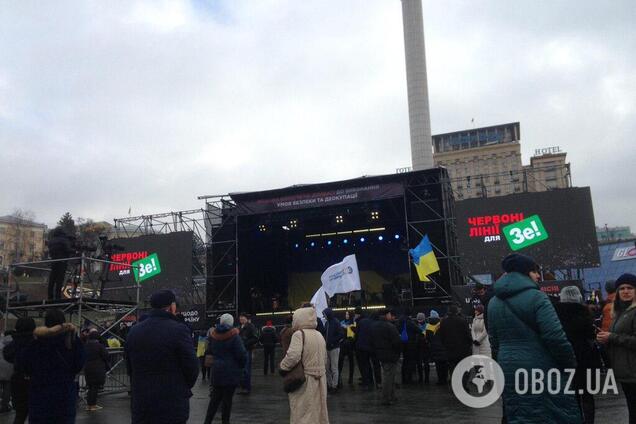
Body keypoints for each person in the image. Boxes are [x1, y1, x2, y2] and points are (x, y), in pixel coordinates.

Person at [488, 253, 581, 423]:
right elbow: (555, 337)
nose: (538, 275)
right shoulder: (538, 297)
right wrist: (570, 363)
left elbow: (494, 341)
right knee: (549, 413)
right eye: (535, 271)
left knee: (519, 412)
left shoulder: (493, 302)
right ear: (525, 273)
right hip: (540, 365)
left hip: (508, 366)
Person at [125, 290, 199, 424]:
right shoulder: (179, 330)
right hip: (171, 402)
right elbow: (192, 366)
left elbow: (129, 366)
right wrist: (181, 387)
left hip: (142, 401)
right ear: (172, 306)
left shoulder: (134, 331)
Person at [20, 309, 85, 424]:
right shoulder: (71, 341)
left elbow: (25, 365)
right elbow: (79, 364)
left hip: (39, 394)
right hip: (64, 394)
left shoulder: (35, 342)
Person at [555, 286, 601, 424]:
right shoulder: (584, 313)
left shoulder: (555, 314)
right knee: (587, 395)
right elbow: (591, 335)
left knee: (571, 396)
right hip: (585, 360)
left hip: (564, 359)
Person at [597, 273, 636, 423]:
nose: (625, 291)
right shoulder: (620, 312)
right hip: (626, 371)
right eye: (622, 288)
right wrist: (606, 339)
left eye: (630, 288)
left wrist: (611, 337)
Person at [280, 305, 329, 424]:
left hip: (305, 380)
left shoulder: (299, 334)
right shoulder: (319, 335)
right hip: (321, 379)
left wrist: (283, 366)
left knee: (303, 413)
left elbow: (293, 356)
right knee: (318, 412)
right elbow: (325, 358)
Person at [204, 313, 247, 424]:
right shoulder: (234, 336)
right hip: (231, 372)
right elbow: (241, 354)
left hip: (217, 371)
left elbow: (209, 351)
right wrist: (241, 366)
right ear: (231, 322)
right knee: (227, 401)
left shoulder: (213, 335)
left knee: (214, 400)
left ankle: (207, 421)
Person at [3, 317, 36, 424]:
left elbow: (7, 354)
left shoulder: (14, 342)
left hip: (18, 379)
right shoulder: (35, 342)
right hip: (34, 380)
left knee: (20, 414)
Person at [371, 309, 401, 406]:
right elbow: (396, 342)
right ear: (386, 315)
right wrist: (397, 352)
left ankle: (392, 395)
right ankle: (386, 398)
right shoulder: (390, 326)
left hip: (380, 354)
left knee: (388, 375)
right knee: (389, 377)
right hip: (391, 354)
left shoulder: (374, 326)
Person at [438, 304, 472, 377]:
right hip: (462, 349)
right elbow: (468, 335)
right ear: (457, 312)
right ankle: (464, 385)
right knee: (463, 368)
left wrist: (445, 345)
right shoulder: (462, 321)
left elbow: (441, 336)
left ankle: (454, 383)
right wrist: (468, 345)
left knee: (452, 368)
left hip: (449, 349)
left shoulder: (443, 322)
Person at [83, 328, 110, 411]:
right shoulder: (99, 346)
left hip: (88, 367)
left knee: (90, 387)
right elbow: (106, 355)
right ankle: (93, 405)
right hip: (97, 368)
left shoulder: (86, 345)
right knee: (94, 387)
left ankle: (89, 405)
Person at [46, 227, 73, 300]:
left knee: (52, 280)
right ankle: (58, 298)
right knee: (59, 281)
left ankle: (50, 298)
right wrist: (73, 251)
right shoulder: (64, 240)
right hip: (62, 262)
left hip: (54, 261)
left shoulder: (51, 240)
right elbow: (68, 250)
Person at [322, 308, 344, 393]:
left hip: (333, 347)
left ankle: (333, 385)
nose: (324, 316)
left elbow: (341, 334)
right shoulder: (332, 322)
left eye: (324, 314)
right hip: (332, 347)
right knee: (330, 368)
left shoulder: (332, 323)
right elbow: (341, 334)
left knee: (332, 367)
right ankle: (332, 385)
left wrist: (331, 342)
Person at [424, 310, 448, 385]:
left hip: (434, 348)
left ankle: (440, 380)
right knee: (444, 365)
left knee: (438, 365)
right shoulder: (441, 324)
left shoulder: (428, 326)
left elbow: (427, 338)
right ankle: (445, 379)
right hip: (443, 347)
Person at [238, 313, 258, 394]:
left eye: (243, 318)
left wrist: (245, 343)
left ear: (246, 318)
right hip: (241, 350)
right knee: (242, 369)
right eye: (240, 318)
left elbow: (255, 338)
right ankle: (243, 387)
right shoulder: (240, 327)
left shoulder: (250, 326)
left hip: (247, 350)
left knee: (246, 369)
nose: (241, 319)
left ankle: (247, 388)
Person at [398, 310, 420, 385]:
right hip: (410, 345)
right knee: (410, 361)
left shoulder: (399, 322)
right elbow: (418, 330)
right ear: (409, 315)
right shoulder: (410, 322)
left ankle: (404, 378)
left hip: (403, 344)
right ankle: (409, 379)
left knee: (404, 362)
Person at [338, 311, 356, 387]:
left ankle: (351, 378)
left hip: (350, 345)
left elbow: (352, 334)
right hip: (343, 344)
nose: (346, 315)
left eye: (348, 314)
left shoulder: (354, 323)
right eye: (346, 314)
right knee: (340, 362)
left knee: (351, 362)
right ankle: (339, 377)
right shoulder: (341, 322)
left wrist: (347, 327)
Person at [415, 312, 430, 384]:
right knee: (424, 363)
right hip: (425, 346)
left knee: (421, 363)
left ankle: (422, 378)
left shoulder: (416, 326)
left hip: (420, 346)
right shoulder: (428, 326)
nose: (420, 321)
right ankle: (425, 378)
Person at [0, 332, 13, 413]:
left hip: (0, 366)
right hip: (9, 367)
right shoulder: (12, 343)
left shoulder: (1, 340)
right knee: (7, 387)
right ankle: (5, 405)